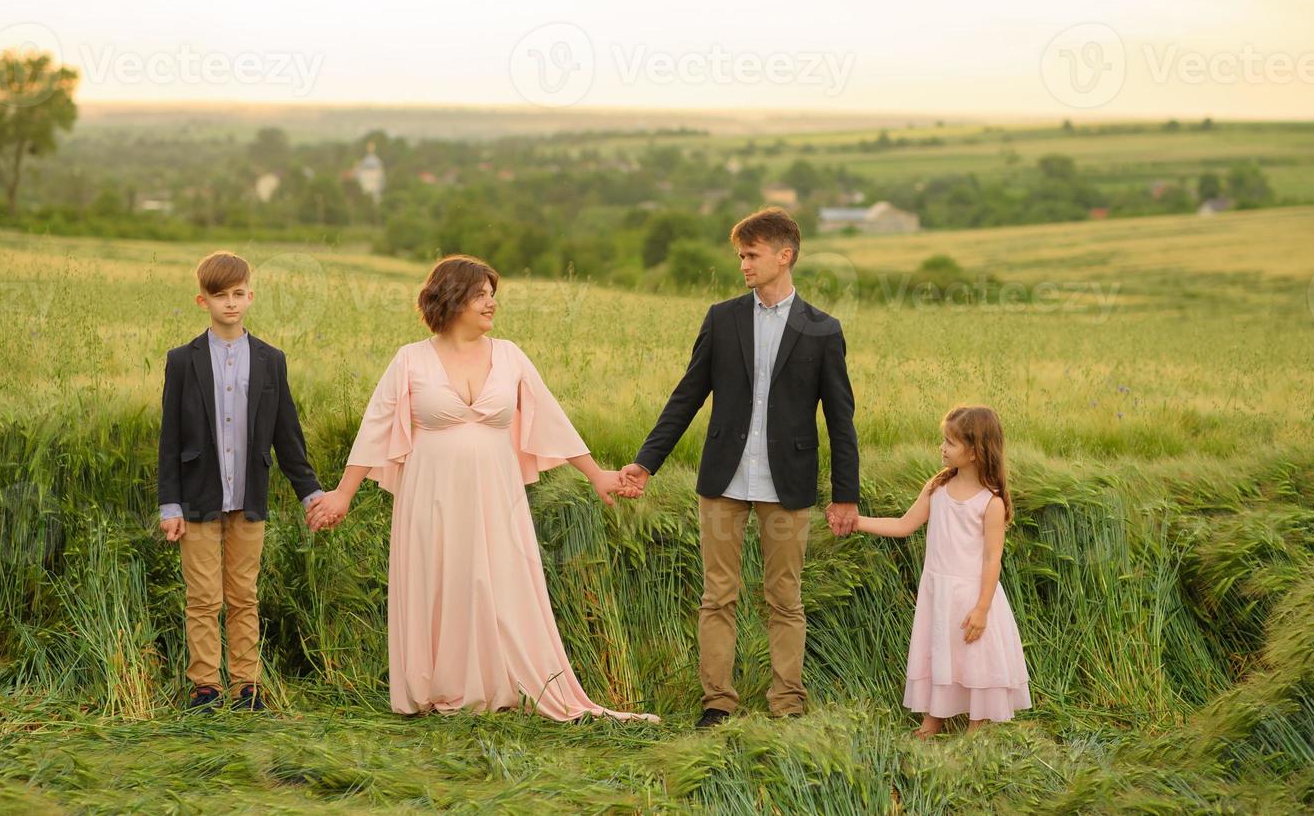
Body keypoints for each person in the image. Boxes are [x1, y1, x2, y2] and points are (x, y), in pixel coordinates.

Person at [306, 255, 658, 723]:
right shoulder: (411, 359)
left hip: (496, 491)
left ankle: (500, 684)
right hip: (430, 491)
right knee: (443, 576)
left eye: (493, 295)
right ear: (452, 300)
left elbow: (550, 419)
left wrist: (597, 476)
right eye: (481, 295)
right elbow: (376, 427)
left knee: (498, 579)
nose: (491, 303)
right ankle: (443, 687)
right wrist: (344, 493)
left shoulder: (510, 355)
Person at [619, 207, 860, 727]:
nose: (744, 265)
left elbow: (841, 418)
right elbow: (686, 397)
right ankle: (717, 704)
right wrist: (646, 463)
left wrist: (846, 494)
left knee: (785, 599)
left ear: (784, 255)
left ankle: (787, 705)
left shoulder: (823, 330)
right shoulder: (722, 318)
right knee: (717, 596)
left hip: (787, 484)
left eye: (751, 255)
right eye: (741, 256)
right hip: (723, 480)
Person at [157, 250, 326, 712]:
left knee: (243, 594)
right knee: (203, 596)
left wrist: (310, 492)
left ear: (250, 296)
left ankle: (246, 686)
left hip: (250, 495)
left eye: (237, 294)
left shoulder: (271, 360)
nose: (230, 303)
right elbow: (169, 439)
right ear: (202, 301)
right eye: (220, 296)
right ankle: (205, 687)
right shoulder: (181, 361)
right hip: (197, 498)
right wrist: (169, 504)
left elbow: (287, 434)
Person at [855, 405, 1031, 737]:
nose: (942, 448)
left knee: (973, 658)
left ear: (976, 451)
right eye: (943, 440)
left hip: (971, 596)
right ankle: (933, 719)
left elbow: (993, 559)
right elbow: (904, 525)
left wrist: (981, 609)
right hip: (938, 591)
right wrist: (856, 522)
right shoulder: (937, 486)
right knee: (938, 652)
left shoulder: (989, 502)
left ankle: (975, 726)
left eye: (950, 442)